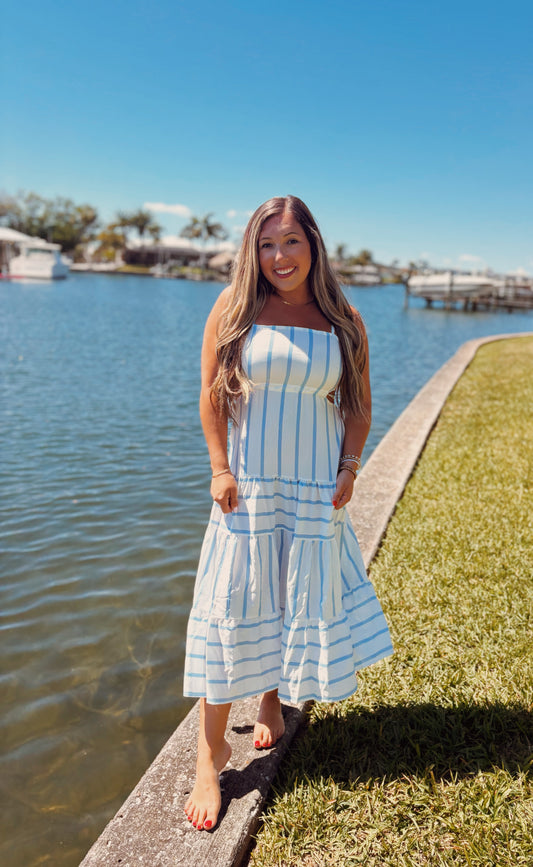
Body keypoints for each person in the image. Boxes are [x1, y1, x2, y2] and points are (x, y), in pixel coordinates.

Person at [183, 195, 393, 831]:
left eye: (292, 242)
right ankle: (207, 754)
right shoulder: (234, 308)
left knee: (287, 595)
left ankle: (272, 701)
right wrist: (220, 468)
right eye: (267, 244)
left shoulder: (343, 317)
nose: (280, 256)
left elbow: (358, 404)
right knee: (230, 603)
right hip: (246, 486)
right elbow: (211, 398)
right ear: (254, 249)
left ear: (313, 245)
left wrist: (350, 467)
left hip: (311, 489)